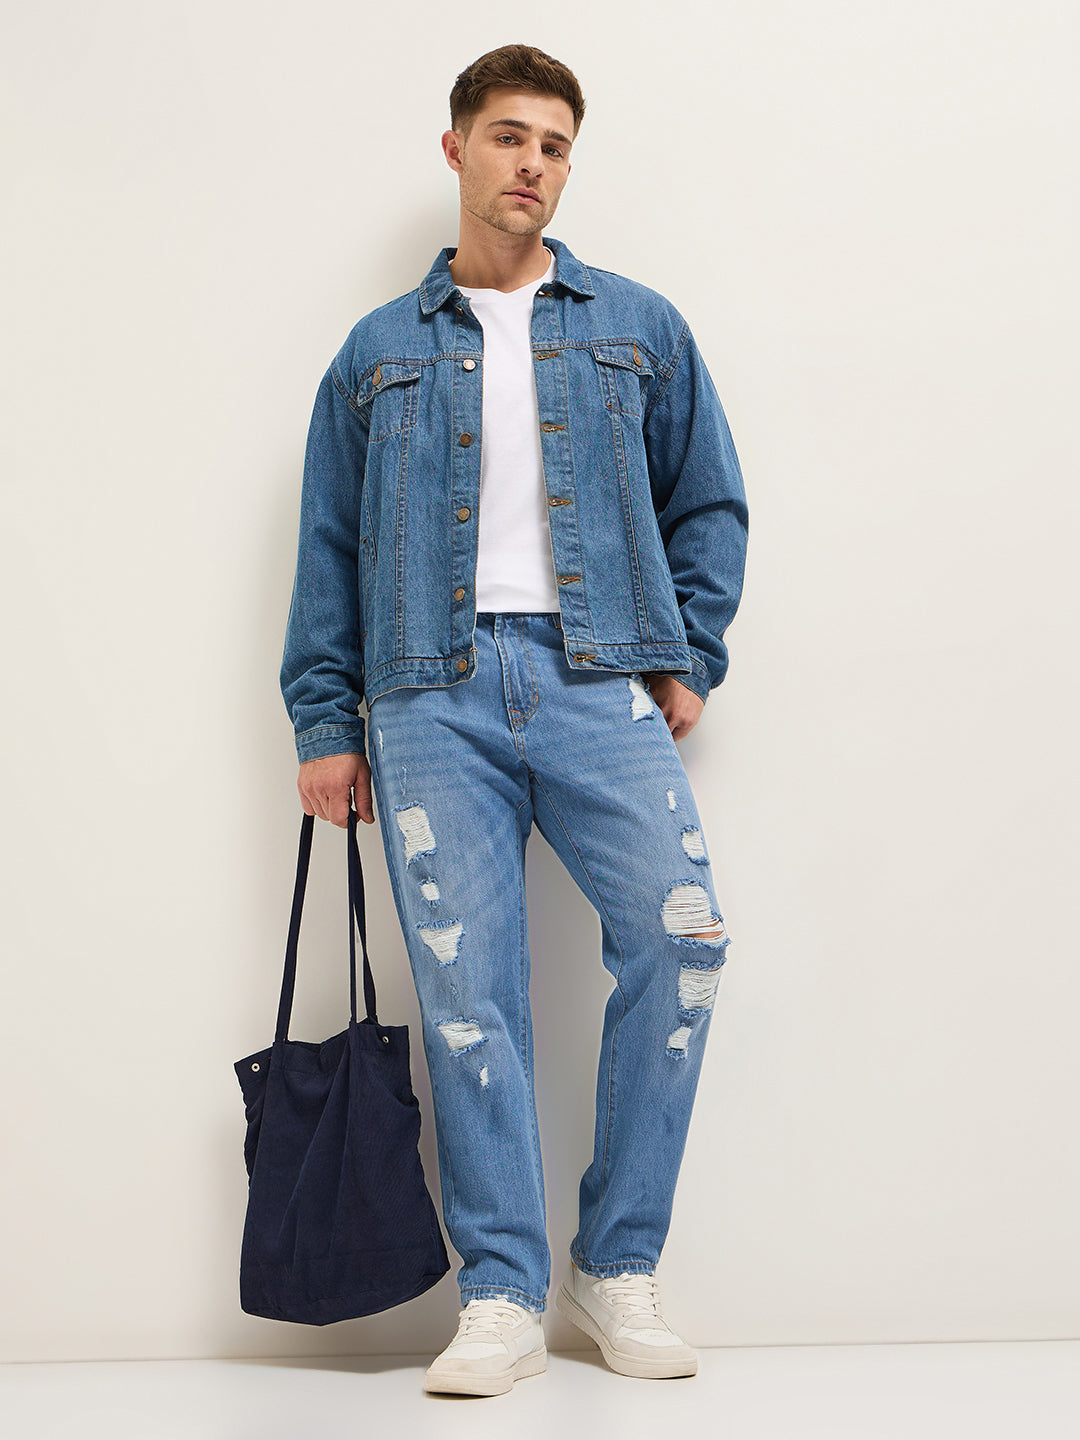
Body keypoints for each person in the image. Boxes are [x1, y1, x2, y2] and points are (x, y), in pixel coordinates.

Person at [280, 43, 749, 1397]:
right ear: (457, 150)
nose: (531, 164)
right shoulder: (378, 351)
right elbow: (328, 547)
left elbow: (709, 500)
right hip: (427, 692)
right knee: (468, 993)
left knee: (685, 940)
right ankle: (499, 1292)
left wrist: (691, 656)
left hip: (600, 678)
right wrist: (325, 718)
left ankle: (617, 1265)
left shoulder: (638, 325)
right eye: (507, 137)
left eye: (553, 145)